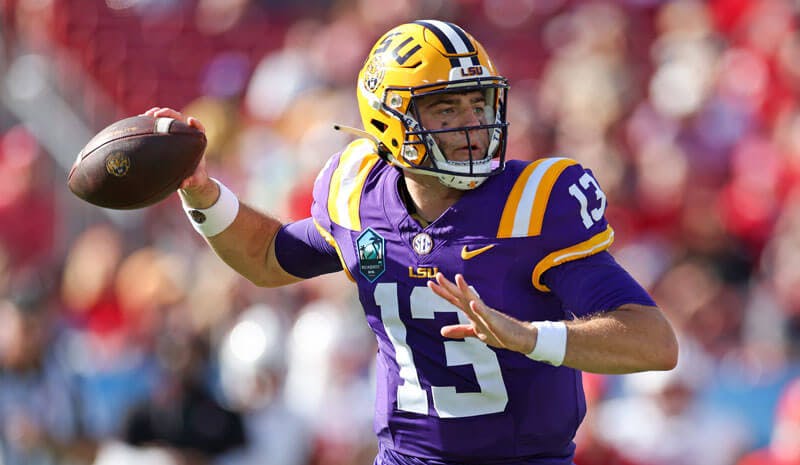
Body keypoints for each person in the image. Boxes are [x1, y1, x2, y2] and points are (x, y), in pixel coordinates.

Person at [146, 19, 678, 465]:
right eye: (447, 110)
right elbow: (269, 257)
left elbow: (654, 341)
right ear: (391, 120)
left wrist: (529, 336)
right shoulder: (358, 193)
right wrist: (203, 193)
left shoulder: (535, 204)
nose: (473, 125)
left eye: (479, 104)